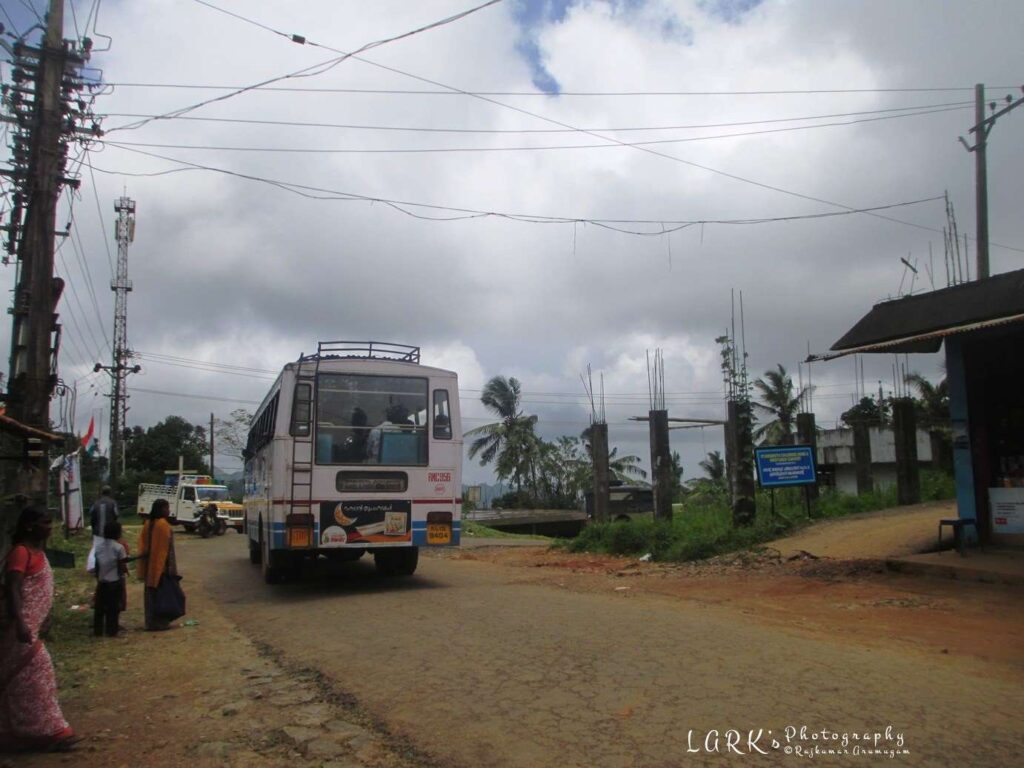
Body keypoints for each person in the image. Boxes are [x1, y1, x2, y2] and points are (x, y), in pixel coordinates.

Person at [0, 507, 80, 752]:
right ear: (29, 526)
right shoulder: (20, 553)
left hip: (33, 625)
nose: (50, 527)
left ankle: (27, 731)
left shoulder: (38, 553)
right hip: (21, 629)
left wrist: (45, 618)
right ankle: (47, 730)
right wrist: (21, 622)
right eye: (45, 523)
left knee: (32, 678)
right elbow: (14, 589)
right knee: (37, 673)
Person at [136, 498, 177, 631]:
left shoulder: (148, 523)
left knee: (150, 595)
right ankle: (160, 622)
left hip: (149, 565)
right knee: (162, 595)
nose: (169, 511)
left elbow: (142, 545)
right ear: (162, 509)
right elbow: (166, 550)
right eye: (167, 508)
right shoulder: (163, 525)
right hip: (161, 566)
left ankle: (150, 622)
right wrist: (170, 568)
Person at [92, 520, 127, 638]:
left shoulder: (98, 547)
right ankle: (112, 630)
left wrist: (98, 576)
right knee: (113, 608)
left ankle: (98, 630)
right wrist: (123, 574)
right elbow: (122, 565)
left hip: (102, 582)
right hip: (114, 581)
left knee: (99, 608)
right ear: (117, 533)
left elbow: (97, 565)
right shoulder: (119, 548)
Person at [86, 486, 118, 573]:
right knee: (109, 549)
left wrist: (93, 528)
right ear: (110, 493)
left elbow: (91, 514)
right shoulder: (113, 503)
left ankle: (93, 567)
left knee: (96, 548)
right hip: (110, 531)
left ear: (102, 493)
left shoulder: (96, 503)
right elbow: (116, 515)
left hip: (97, 531)